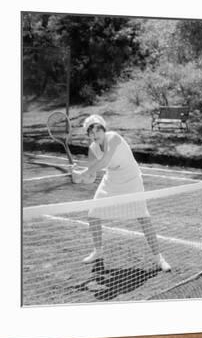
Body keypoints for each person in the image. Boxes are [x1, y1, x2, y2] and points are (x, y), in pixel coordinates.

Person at [73, 114, 171, 272]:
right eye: (91, 132)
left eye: (98, 130)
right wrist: (78, 178)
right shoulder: (92, 149)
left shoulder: (114, 138)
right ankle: (98, 251)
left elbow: (104, 162)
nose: (95, 134)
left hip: (132, 179)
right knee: (93, 215)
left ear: (104, 129)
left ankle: (158, 258)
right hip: (111, 180)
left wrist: (84, 172)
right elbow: (91, 177)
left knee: (143, 217)